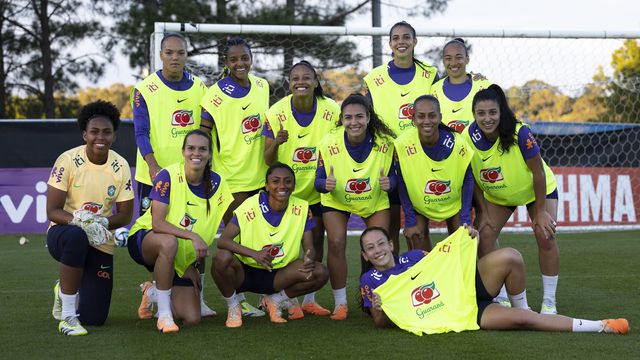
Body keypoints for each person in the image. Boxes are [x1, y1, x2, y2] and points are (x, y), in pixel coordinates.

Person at [359, 227, 629, 335]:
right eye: (370, 248)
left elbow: (447, 260)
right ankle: (602, 326)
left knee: (511, 256)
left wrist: (465, 238)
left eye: (381, 243)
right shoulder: (370, 280)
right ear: (364, 254)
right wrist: (379, 308)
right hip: (458, 312)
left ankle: (521, 305)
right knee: (526, 322)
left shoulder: (416, 255)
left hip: (466, 288)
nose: (377, 250)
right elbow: (381, 323)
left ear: (392, 244)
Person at [131, 32, 216, 317]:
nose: (175, 58)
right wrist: (153, 165)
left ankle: (197, 295)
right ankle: (159, 292)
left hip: (191, 177)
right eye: (169, 52)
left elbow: (204, 131)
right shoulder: (145, 88)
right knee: (158, 237)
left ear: (186, 55)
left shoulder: (199, 87)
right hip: (153, 177)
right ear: (161, 55)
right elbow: (141, 132)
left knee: (198, 231)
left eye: (180, 53)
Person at [466, 84, 560, 314]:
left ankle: (549, 301)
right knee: (484, 234)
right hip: (500, 193)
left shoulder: (521, 133)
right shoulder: (468, 137)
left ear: (501, 112)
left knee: (544, 233)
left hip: (536, 189)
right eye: (481, 113)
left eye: (492, 112)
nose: (487, 118)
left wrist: (540, 212)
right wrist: (483, 212)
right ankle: (501, 295)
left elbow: (537, 173)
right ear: (474, 114)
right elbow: (472, 177)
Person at [127, 130, 233, 333]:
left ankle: (153, 293)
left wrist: (191, 266)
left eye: (203, 149)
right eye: (191, 148)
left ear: (210, 154)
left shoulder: (218, 184)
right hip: (145, 240)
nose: (197, 153)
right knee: (168, 243)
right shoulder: (167, 176)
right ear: (183, 151)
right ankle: (164, 316)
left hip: (180, 256)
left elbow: (210, 228)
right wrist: (193, 236)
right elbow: (157, 223)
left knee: (192, 318)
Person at [47, 101, 134, 336]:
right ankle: (67, 316)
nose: (100, 137)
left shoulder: (120, 165)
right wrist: (79, 221)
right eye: (94, 131)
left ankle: (63, 289)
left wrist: (102, 222)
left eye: (106, 132)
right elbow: (53, 211)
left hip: (99, 238)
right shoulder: (67, 160)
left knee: (95, 318)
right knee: (76, 236)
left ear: (114, 136)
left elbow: (125, 214)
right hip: (64, 234)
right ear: (85, 134)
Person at [200, 37, 271, 317]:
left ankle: (268, 296)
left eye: (245, 58)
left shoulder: (263, 86)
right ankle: (237, 300)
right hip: (231, 179)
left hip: (262, 176)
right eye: (234, 59)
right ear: (226, 63)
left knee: (261, 239)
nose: (240, 64)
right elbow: (204, 134)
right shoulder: (214, 95)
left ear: (251, 59)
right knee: (236, 241)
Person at [263, 60, 340, 317]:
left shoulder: (332, 110)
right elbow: (267, 158)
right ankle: (277, 297)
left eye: (307, 77)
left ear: (316, 82)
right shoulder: (275, 112)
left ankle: (308, 299)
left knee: (316, 243)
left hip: (318, 190)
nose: (301, 82)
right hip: (287, 193)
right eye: (295, 78)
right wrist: (276, 142)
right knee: (283, 247)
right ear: (289, 83)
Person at [211, 163, 329, 328]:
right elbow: (223, 240)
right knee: (221, 258)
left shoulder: (301, 208)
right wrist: (254, 254)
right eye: (276, 181)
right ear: (267, 185)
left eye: (288, 182)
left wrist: (309, 255)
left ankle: (275, 300)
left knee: (320, 272)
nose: (282, 186)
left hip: (279, 274)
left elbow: (309, 245)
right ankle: (233, 306)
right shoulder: (249, 205)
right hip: (245, 272)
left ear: (294, 186)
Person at [315, 93, 396, 320]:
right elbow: (318, 182)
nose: (354, 122)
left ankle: (381, 297)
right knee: (336, 241)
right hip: (337, 199)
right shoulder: (328, 142)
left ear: (369, 117)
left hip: (373, 199)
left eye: (359, 116)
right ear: (342, 119)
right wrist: (325, 184)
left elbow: (393, 178)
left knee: (379, 245)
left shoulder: (386, 143)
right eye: (348, 117)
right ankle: (341, 303)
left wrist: (390, 183)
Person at [363, 21, 440, 258]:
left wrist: (474, 77)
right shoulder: (374, 79)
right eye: (396, 38)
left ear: (415, 41)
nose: (401, 42)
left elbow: (446, 100)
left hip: (419, 160)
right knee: (390, 230)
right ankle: (392, 282)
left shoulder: (431, 75)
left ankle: (423, 280)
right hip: (386, 162)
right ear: (390, 44)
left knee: (419, 230)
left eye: (406, 37)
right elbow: (363, 116)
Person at [395, 95, 474, 250]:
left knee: (463, 240)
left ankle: (473, 275)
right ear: (413, 119)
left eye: (432, 115)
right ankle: (426, 274)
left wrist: (466, 217)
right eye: (421, 116)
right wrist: (410, 220)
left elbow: (468, 178)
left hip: (453, 203)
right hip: (420, 206)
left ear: (440, 117)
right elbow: (401, 181)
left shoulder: (457, 143)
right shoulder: (402, 144)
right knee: (415, 238)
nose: (426, 121)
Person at [431, 38, 491, 133]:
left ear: (467, 59)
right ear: (443, 61)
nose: (454, 63)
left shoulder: (484, 86)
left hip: (478, 147)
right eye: (448, 58)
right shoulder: (433, 91)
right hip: (445, 148)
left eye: (458, 57)